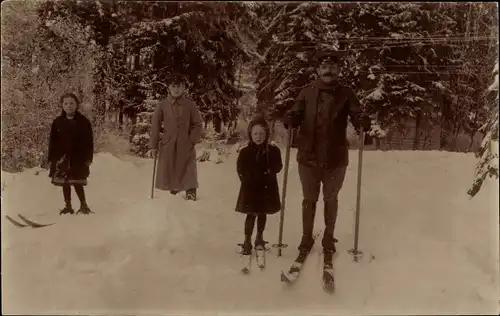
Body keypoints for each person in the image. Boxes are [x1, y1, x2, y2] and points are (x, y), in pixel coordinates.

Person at [283, 51, 371, 264]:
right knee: (309, 199)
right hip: (308, 157)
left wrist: (361, 121)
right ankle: (306, 238)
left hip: (335, 158)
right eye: (324, 66)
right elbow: (296, 111)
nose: (328, 70)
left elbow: (356, 112)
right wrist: (291, 118)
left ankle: (329, 238)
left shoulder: (346, 93)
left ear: (339, 71)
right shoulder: (307, 92)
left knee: (331, 200)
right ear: (318, 70)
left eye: (332, 67)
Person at [149, 77, 203, 201]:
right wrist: (153, 146)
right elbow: (155, 126)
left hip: (186, 144)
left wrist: (191, 140)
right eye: (173, 86)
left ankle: (191, 192)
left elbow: (197, 124)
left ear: (184, 88)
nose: (176, 89)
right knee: (171, 169)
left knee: (188, 169)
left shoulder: (190, 105)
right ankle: (174, 197)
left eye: (179, 86)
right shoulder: (162, 105)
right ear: (168, 88)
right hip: (168, 144)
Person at [235, 116, 283, 254]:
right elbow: (240, 169)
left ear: (266, 135)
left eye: (262, 134)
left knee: (263, 214)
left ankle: (259, 238)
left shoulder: (273, 151)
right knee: (251, 215)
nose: (258, 137)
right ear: (250, 134)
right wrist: (246, 179)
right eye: (255, 134)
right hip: (250, 188)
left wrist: (271, 169)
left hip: (267, 188)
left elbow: (278, 166)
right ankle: (247, 240)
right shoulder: (245, 152)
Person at [48, 93, 94, 215]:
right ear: (62, 105)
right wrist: (52, 159)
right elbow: (53, 142)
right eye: (66, 103)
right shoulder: (57, 122)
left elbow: (89, 142)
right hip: (62, 158)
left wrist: (88, 158)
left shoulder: (84, 122)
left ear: (77, 105)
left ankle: (83, 205)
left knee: (77, 181)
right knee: (65, 182)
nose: (69, 106)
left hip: (78, 158)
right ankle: (68, 206)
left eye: (72, 103)